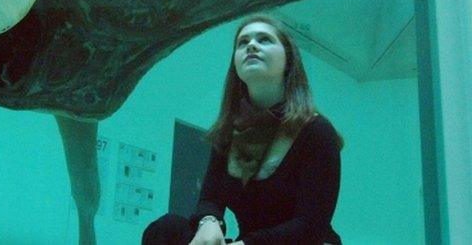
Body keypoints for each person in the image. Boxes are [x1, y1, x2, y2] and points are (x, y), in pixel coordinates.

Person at [142, 14, 342, 245]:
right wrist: (208, 221)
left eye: (264, 39)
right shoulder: (229, 133)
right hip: (245, 242)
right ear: (235, 63)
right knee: (168, 229)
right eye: (243, 42)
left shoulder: (317, 131)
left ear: (288, 60)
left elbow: (310, 226)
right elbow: (210, 198)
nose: (252, 45)